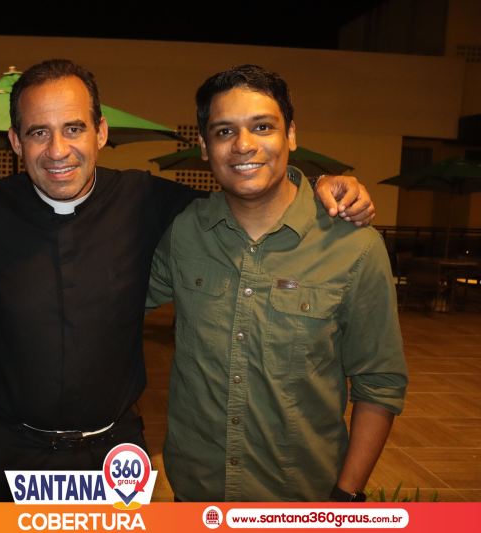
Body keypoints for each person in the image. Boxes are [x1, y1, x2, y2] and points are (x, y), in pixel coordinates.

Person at [0, 59, 377, 501]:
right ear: (15, 142)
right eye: (38, 132)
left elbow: (246, 192)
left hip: (116, 456)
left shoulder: (153, 203)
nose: (57, 149)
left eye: (73, 128)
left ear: (101, 132)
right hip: (10, 451)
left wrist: (323, 187)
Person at [147, 64, 408, 502]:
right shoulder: (185, 232)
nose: (243, 145)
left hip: (301, 502)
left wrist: (346, 497)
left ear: (291, 135)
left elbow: (380, 384)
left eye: (262, 127)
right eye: (224, 131)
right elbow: (116, 299)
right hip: (195, 497)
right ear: (205, 147)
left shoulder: (354, 246)